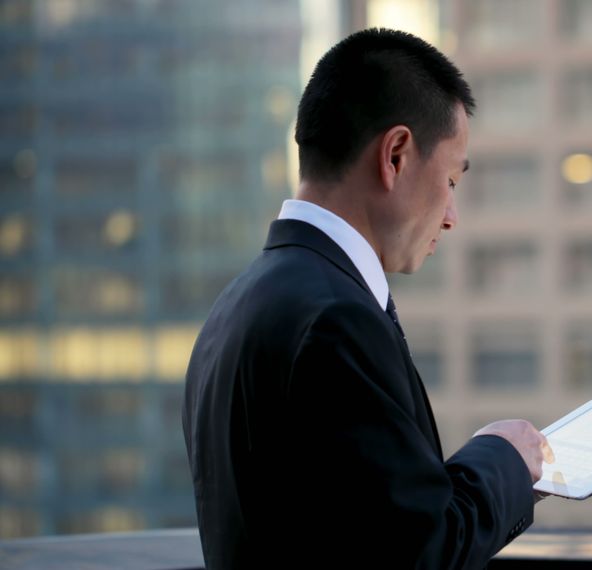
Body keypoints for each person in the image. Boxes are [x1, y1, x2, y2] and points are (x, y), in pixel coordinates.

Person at [182, 28, 552, 569]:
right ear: (396, 155)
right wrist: (504, 460)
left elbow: (358, 524)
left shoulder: (238, 304)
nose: (451, 216)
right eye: (451, 180)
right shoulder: (336, 320)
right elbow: (419, 553)